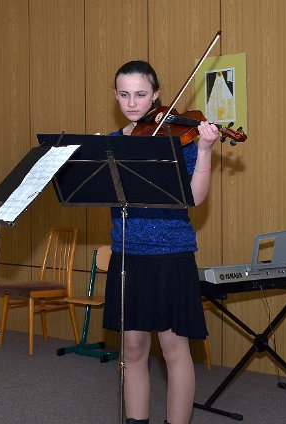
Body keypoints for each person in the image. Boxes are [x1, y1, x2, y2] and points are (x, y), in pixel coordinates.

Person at [102, 60, 219, 424]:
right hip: (128, 254)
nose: (132, 103)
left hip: (172, 253)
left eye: (140, 94)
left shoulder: (178, 138)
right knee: (133, 348)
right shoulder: (111, 144)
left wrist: (204, 150)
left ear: (156, 95)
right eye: (124, 94)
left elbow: (196, 198)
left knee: (173, 348)